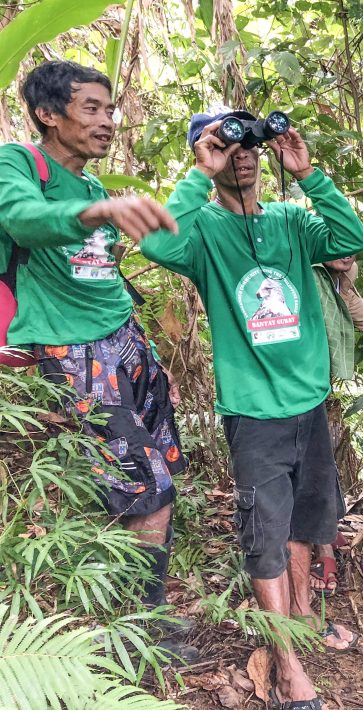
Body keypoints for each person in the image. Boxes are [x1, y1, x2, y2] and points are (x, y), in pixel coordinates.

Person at [141, 109, 363, 710]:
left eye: (248, 140)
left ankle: (298, 618)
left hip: (310, 404)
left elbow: (351, 241)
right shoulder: (204, 234)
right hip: (253, 411)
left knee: (303, 524)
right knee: (266, 536)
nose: (242, 151)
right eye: (225, 142)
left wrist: (310, 174)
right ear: (208, 154)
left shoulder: (293, 220)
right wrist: (199, 174)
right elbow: (157, 242)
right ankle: (290, 669)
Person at [0, 61, 193, 657]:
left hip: (124, 344)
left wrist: (148, 357)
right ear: (47, 114)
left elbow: (112, 278)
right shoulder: (19, 164)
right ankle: (132, 635)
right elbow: (20, 220)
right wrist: (97, 213)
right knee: (142, 485)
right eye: (91, 108)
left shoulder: (91, 188)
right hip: (72, 349)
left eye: (110, 110)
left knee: (164, 475)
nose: (108, 122)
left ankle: (145, 615)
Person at [309, 254, 363, 595]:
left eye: (352, 248)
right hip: (287, 377)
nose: (346, 255)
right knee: (306, 465)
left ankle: (326, 531)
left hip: (315, 380)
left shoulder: (346, 270)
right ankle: (319, 548)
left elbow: (350, 298)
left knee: (319, 460)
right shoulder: (303, 265)